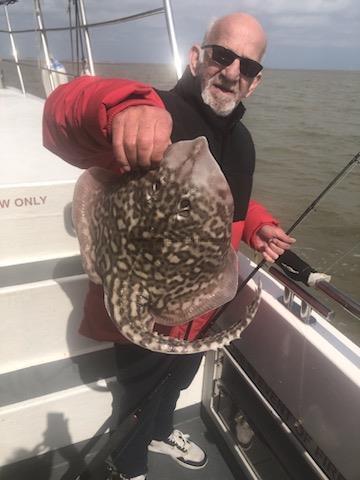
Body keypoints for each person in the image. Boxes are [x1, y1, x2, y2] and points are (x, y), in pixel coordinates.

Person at [43, 12, 295, 480]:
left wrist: (256, 222)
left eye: (248, 66)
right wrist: (123, 107)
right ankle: (131, 466)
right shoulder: (149, 109)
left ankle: (162, 431)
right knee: (137, 397)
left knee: (177, 381)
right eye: (222, 55)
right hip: (143, 303)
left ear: (255, 82)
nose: (233, 71)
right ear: (197, 57)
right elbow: (60, 113)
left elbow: (224, 199)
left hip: (202, 307)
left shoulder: (240, 141)